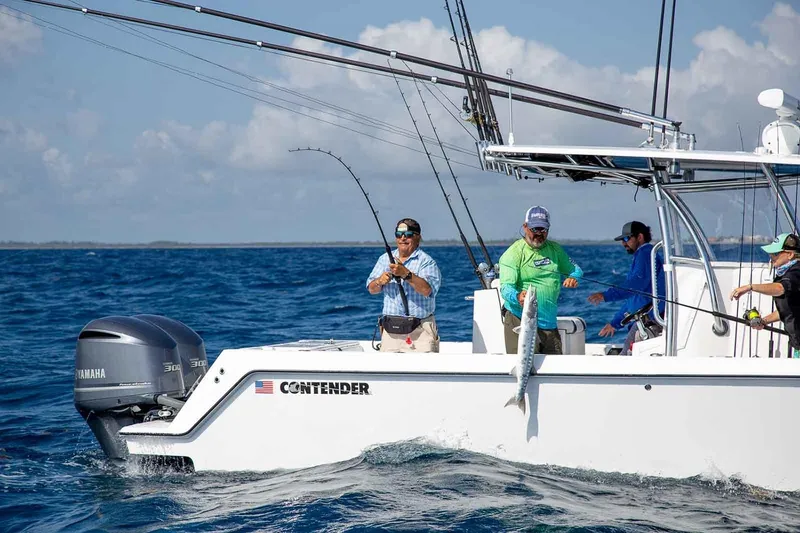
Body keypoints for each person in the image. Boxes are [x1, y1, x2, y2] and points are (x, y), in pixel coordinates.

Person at [498, 206, 583, 354]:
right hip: (520, 321)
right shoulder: (512, 254)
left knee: (554, 372)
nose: (539, 234)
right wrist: (518, 296)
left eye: (543, 230)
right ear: (525, 227)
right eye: (535, 229)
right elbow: (506, 288)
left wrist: (573, 278)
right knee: (524, 370)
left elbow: (576, 270)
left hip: (548, 322)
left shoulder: (555, 249)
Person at [588, 221, 665, 354]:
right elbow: (634, 299)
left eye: (626, 238)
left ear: (640, 237)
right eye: (622, 240)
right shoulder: (643, 255)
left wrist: (606, 295)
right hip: (643, 322)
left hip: (650, 324)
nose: (623, 243)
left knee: (624, 361)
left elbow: (635, 285)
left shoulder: (645, 254)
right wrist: (615, 323)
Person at [366, 218, 442, 352]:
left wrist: (406, 274)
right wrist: (379, 281)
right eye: (398, 234)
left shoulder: (427, 262)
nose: (403, 238)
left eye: (408, 235)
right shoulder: (384, 259)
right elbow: (371, 289)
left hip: (420, 331)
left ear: (418, 237)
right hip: (391, 332)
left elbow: (427, 290)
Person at [730, 233, 800, 358]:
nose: (771, 257)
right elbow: (790, 309)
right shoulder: (784, 273)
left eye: (775, 254)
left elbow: (780, 289)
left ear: (790, 255)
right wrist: (764, 321)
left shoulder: (796, 272)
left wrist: (750, 287)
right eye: (771, 253)